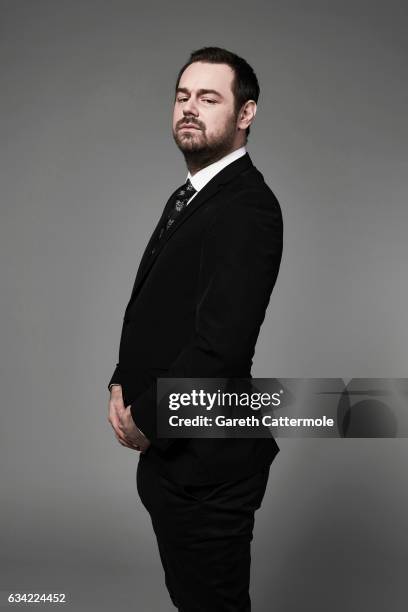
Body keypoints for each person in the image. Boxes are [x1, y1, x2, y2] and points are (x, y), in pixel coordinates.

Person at [107, 46, 283, 611]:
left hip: (209, 466)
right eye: (183, 96)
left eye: (209, 98)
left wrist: (148, 422)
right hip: (177, 461)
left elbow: (221, 347)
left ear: (246, 113)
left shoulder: (247, 207)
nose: (190, 108)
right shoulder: (192, 195)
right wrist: (119, 380)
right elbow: (156, 310)